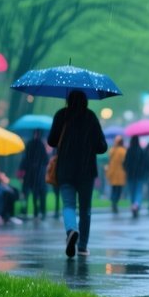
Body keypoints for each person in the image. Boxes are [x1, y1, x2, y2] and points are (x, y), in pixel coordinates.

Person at [48, 89, 107, 257]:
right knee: (85, 209)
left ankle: (71, 230)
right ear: (85, 101)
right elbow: (102, 146)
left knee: (68, 205)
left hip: (65, 168)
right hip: (86, 170)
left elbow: (51, 141)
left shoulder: (61, 115)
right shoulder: (90, 117)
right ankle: (82, 246)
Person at [19, 129, 49, 219]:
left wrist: (23, 168)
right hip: (38, 173)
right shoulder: (40, 145)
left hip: (31, 173)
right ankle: (39, 210)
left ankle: (27, 210)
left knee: (29, 192)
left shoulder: (30, 144)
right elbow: (45, 160)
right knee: (39, 192)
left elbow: (25, 158)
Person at [123, 134, 149, 218]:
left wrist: (127, 170)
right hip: (140, 174)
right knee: (138, 191)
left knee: (132, 191)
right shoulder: (142, 151)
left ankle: (133, 205)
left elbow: (125, 163)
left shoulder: (129, 151)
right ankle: (136, 205)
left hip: (131, 174)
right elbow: (147, 163)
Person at [105, 135, 127, 213]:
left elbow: (109, 160)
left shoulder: (112, 150)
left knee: (114, 189)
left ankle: (113, 203)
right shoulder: (123, 151)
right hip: (121, 173)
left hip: (112, 172)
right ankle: (115, 203)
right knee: (118, 190)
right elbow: (125, 162)